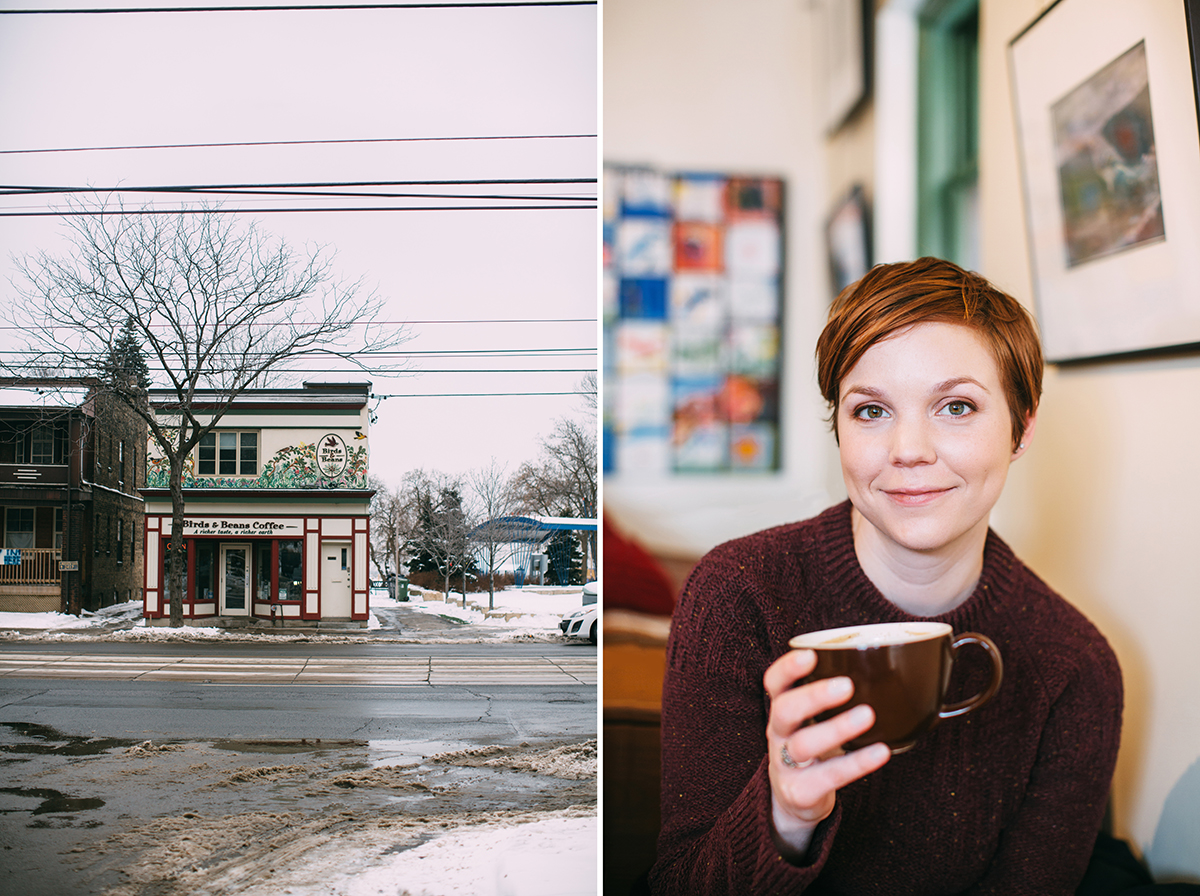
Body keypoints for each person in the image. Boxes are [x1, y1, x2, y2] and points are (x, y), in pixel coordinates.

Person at [649, 257, 1124, 895]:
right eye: (871, 411)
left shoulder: (1075, 668)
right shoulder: (739, 594)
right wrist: (785, 818)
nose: (908, 449)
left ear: (1022, 427)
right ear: (838, 429)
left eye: (956, 407)